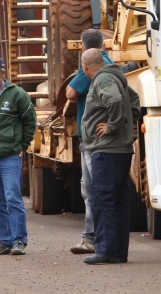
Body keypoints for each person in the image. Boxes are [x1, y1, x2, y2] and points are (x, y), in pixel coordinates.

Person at [79, 48, 140, 265]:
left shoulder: (103, 79)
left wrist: (113, 126)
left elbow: (114, 101)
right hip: (118, 150)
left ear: (85, 67)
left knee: (102, 200)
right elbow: (133, 99)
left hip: (107, 149)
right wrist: (127, 121)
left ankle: (105, 250)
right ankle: (117, 251)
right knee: (118, 201)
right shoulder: (116, 76)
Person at [0, 55, 37, 256]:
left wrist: (22, 145)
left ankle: (19, 240)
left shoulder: (17, 94)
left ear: (3, 73)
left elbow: (30, 120)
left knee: (13, 198)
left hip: (10, 155)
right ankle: (4, 241)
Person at [66, 29, 114, 255]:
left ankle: (94, 239)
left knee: (94, 190)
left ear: (84, 49)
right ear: (103, 44)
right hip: (101, 137)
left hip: (93, 138)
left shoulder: (92, 65)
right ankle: (100, 238)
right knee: (96, 189)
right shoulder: (111, 64)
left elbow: (70, 93)